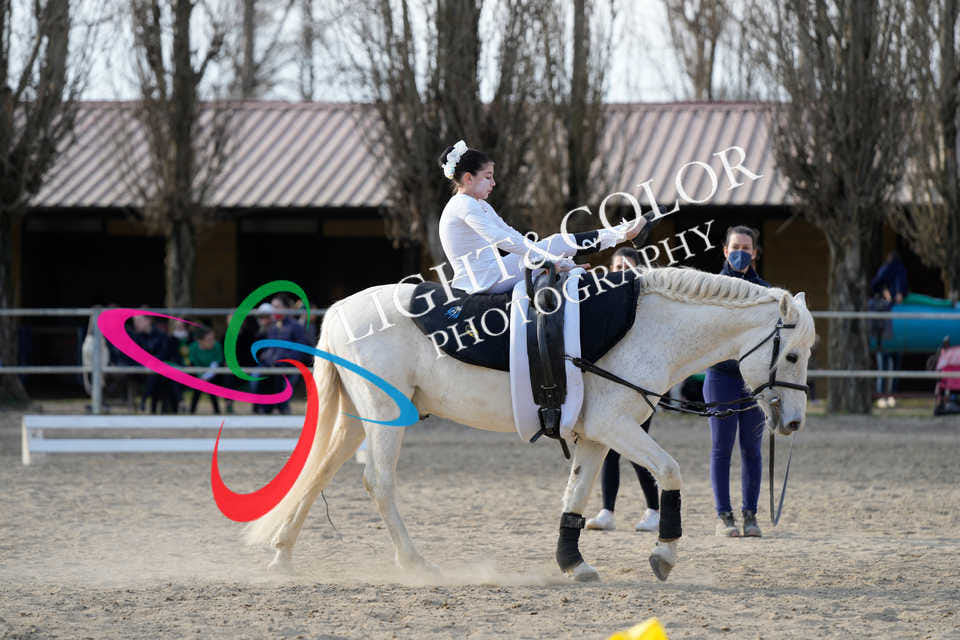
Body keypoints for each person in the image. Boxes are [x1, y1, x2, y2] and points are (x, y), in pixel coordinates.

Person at [436, 140, 646, 294]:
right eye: (488, 177)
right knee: (555, 243)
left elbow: (510, 233)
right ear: (468, 178)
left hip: (491, 274)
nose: (494, 183)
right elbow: (501, 239)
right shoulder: (463, 204)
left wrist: (554, 260)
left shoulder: (477, 204)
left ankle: (621, 233)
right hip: (483, 280)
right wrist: (549, 260)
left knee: (553, 245)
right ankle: (622, 233)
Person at [585, 247, 660, 533]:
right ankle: (607, 512)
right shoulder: (603, 302)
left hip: (639, 388)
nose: (622, 273)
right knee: (610, 449)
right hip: (610, 385)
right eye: (618, 268)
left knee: (635, 446)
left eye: (628, 268)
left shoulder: (646, 307)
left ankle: (654, 510)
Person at [707, 225, 769, 538]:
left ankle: (750, 514)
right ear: (725, 250)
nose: (740, 253)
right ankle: (724, 515)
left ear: (755, 253)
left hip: (754, 381)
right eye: (735, 247)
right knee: (722, 448)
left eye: (746, 247)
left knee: (752, 449)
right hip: (722, 376)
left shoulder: (766, 293)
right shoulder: (713, 290)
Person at [870, 252, 908, 408]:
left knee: (885, 363)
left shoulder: (887, 270)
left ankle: (885, 395)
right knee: (891, 364)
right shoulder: (899, 271)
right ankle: (889, 395)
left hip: (887, 325)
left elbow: (876, 284)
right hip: (889, 325)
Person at [188, 326, 225, 414]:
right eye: (209, 339)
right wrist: (201, 377)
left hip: (214, 373)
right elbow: (194, 364)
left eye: (213, 339)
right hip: (197, 373)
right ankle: (191, 412)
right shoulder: (193, 347)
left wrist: (205, 377)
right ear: (200, 341)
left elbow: (216, 364)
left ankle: (217, 412)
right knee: (198, 386)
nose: (212, 342)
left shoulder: (217, 346)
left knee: (211, 385)